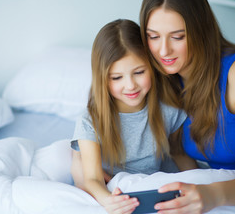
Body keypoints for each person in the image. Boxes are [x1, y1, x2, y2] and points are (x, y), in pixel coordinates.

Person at [139, 0, 235, 213]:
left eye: (177, 37)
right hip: (222, 189)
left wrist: (211, 195)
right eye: (153, 36)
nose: (163, 50)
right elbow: (180, 154)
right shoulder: (165, 78)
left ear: (200, 30)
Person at [70, 19, 187, 214]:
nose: (131, 85)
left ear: (152, 67)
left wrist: (195, 180)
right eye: (117, 77)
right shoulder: (91, 120)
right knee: (79, 170)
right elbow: (93, 179)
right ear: (102, 79)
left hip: (151, 185)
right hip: (111, 184)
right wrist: (110, 201)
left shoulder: (168, 110)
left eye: (139, 72)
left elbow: (180, 154)